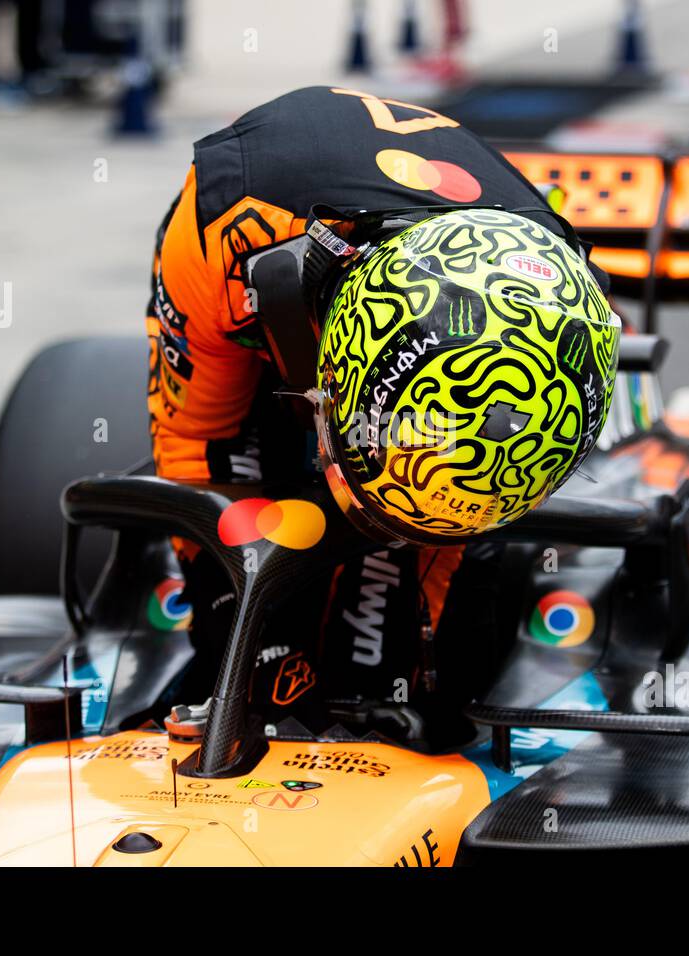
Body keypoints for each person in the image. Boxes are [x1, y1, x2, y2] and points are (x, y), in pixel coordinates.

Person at [146, 86, 618, 744]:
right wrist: (235, 614)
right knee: (245, 640)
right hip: (262, 242)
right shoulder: (223, 241)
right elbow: (195, 442)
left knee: (417, 669)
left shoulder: (570, 279)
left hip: (443, 226)